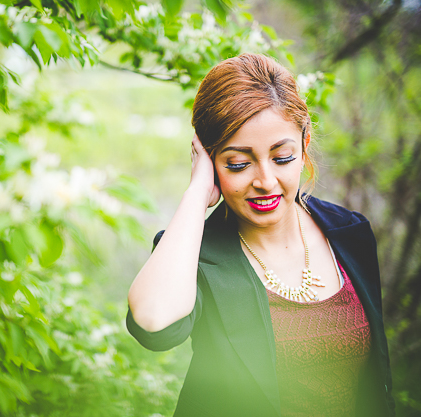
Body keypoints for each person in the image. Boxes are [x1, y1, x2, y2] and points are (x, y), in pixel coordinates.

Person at [125, 53, 394, 416]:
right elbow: (154, 324)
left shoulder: (351, 233)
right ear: (209, 157)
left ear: (304, 146)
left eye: (282, 157)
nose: (265, 182)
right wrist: (197, 191)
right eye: (238, 163)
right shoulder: (193, 253)